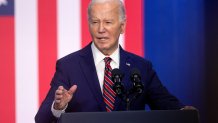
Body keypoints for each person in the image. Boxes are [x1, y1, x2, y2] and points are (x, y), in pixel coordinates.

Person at [35, 0, 195, 122]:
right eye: (95, 22)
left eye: (108, 22)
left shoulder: (141, 67)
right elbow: (41, 119)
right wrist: (58, 107)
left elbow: (166, 104)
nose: (100, 29)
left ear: (122, 26)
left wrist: (184, 112)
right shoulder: (69, 66)